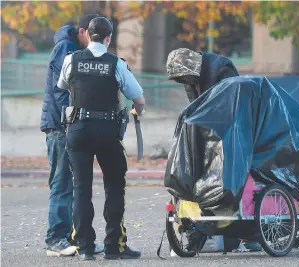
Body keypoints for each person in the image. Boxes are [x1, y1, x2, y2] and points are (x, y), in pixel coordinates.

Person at [57, 16, 145, 261]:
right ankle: (113, 247)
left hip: (78, 130)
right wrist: (138, 110)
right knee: (115, 187)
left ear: (88, 35)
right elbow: (138, 98)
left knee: (81, 189)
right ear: (109, 38)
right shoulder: (116, 63)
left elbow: (63, 84)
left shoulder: (71, 60)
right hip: (108, 131)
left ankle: (85, 248)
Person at [165, 48, 261, 252]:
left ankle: (248, 233)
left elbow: (234, 100)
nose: (186, 83)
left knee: (232, 180)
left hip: (231, 128)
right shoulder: (190, 76)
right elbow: (196, 107)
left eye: (186, 79)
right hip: (212, 129)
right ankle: (207, 228)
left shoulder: (220, 68)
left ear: (193, 68)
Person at [40, 13, 105, 257]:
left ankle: (75, 239)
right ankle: (56, 239)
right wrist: (72, 119)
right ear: (81, 32)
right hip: (60, 127)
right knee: (62, 184)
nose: (93, 41)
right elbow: (62, 89)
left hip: (66, 125)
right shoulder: (66, 47)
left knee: (74, 184)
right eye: (91, 35)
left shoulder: (71, 47)